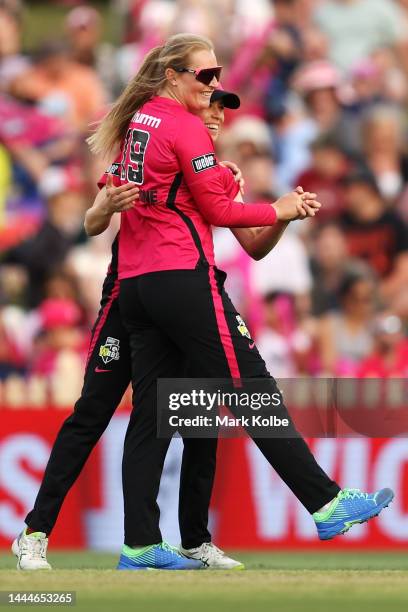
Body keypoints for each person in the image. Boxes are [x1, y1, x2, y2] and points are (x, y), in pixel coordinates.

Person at [87, 33, 393, 570]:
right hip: (182, 276)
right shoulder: (182, 128)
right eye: (204, 78)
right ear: (173, 77)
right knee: (253, 389)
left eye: (219, 77)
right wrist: (277, 208)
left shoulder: (142, 123)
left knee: (156, 415)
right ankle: (324, 503)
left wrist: (264, 207)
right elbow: (226, 216)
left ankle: (139, 543)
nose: (214, 90)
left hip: (139, 285)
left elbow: (172, 203)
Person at [12, 87, 302, 572]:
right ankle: (35, 532)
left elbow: (253, 246)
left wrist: (281, 216)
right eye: (209, 103)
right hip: (129, 296)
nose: (215, 114)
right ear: (187, 105)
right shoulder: (152, 151)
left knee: (197, 413)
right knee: (93, 412)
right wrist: (105, 208)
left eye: (223, 110)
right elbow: (90, 220)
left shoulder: (217, 175)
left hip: (183, 298)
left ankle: (191, 541)